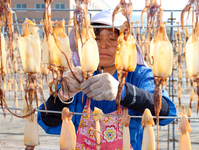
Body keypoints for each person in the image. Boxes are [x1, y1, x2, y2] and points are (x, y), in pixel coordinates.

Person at [37, 10, 176, 150]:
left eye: (112, 38)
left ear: (125, 44)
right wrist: (63, 97)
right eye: (96, 39)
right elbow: (48, 122)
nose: (103, 45)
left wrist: (123, 92)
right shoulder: (78, 77)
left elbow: (165, 112)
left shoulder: (140, 75)